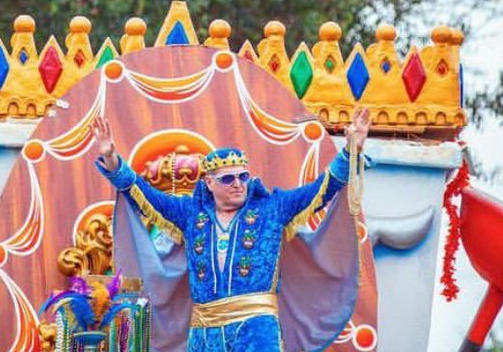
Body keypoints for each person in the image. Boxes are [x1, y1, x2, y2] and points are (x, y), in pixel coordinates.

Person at [91, 107, 371, 352]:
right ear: (209, 184)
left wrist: (351, 150)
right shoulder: (190, 214)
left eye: (243, 176)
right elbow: (144, 195)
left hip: (256, 329)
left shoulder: (273, 208)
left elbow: (322, 188)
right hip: (204, 332)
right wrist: (113, 160)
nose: (238, 183)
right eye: (228, 179)